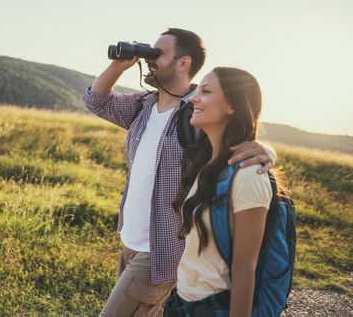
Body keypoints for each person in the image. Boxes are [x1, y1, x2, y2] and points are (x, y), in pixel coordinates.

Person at [83, 28, 275, 317]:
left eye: (158, 54)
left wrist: (266, 149)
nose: (149, 59)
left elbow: (233, 139)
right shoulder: (142, 106)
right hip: (130, 241)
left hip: (161, 250)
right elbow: (95, 102)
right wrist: (118, 65)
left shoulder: (194, 115)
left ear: (183, 63)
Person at [170, 67, 273, 316]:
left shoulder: (249, 175)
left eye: (205, 91)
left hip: (211, 306)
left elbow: (244, 269)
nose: (194, 98)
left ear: (233, 106)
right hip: (180, 300)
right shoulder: (205, 164)